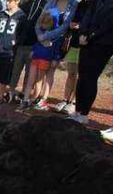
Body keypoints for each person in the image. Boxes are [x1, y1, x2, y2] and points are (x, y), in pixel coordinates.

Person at [71, 0, 113, 130]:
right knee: (82, 76)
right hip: (86, 42)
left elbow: (108, 24)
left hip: (104, 44)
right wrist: (83, 33)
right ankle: (77, 112)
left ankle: (84, 114)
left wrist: (90, 36)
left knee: (90, 77)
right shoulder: (95, 1)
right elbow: (87, 16)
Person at [31, 0, 79, 111]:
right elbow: (38, 22)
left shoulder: (73, 4)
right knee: (40, 71)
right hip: (43, 41)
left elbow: (65, 26)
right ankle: (35, 97)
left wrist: (46, 36)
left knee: (51, 69)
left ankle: (44, 98)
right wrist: (40, 36)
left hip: (58, 42)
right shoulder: (50, 3)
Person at [0, 0, 26, 112]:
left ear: (17, 1)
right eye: (7, 1)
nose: (7, 3)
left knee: (3, 78)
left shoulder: (21, 16)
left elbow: (22, 35)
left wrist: (13, 43)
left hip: (9, 53)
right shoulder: (1, 14)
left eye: (10, 1)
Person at [6, 0, 47, 103]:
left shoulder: (45, 4)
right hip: (20, 44)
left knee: (30, 73)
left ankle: (24, 94)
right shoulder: (24, 4)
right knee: (15, 69)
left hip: (34, 45)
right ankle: (11, 91)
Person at [53, 0, 88, 114]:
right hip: (72, 44)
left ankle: (73, 102)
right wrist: (70, 24)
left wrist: (80, 26)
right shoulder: (76, 5)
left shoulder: (93, 6)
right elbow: (66, 20)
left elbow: (93, 23)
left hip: (84, 45)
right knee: (71, 74)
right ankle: (65, 100)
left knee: (79, 75)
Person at [16, 11, 54, 112]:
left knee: (38, 81)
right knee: (30, 79)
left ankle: (34, 99)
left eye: (46, 23)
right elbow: (37, 43)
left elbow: (49, 45)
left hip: (44, 60)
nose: (43, 25)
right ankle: (25, 101)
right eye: (42, 23)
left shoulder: (52, 35)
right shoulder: (40, 32)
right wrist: (33, 51)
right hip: (36, 58)